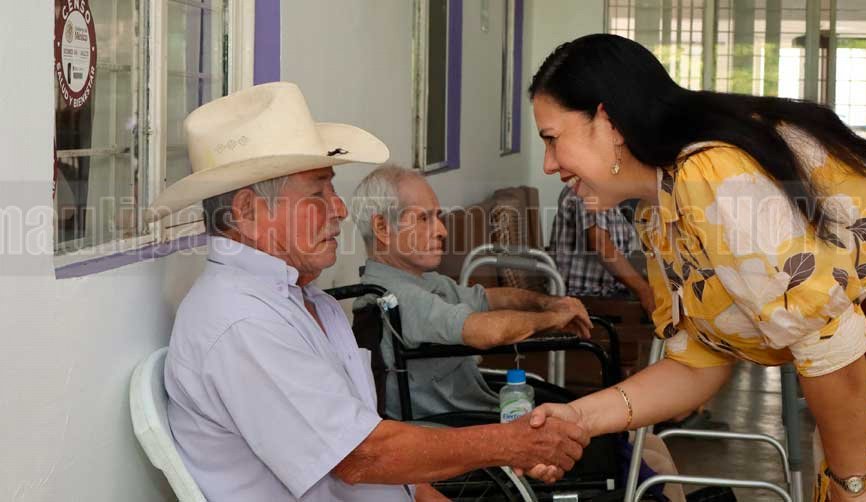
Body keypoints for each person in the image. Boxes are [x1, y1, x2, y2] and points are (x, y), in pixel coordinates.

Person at [523, 34, 866, 502]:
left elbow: (829, 345)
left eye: (552, 139)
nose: (549, 164)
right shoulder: (660, 211)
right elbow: (696, 365)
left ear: (608, 123)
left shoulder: (711, 174)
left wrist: (849, 484)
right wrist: (580, 418)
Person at [154, 82, 588, 502]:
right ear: (249, 212)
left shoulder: (298, 300)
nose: (340, 208)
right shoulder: (243, 322)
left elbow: (370, 448)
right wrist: (512, 443)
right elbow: (362, 456)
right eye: (317, 192)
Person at [352, 165, 592, 419]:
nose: (442, 231)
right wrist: (555, 318)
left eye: (437, 217)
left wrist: (549, 303)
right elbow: (489, 332)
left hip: (475, 410)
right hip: (453, 427)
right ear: (382, 228)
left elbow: (488, 298)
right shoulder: (394, 297)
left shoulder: (422, 281)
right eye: (424, 219)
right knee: (581, 421)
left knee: (574, 407)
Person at [549, 184, 656, 312]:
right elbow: (601, 246)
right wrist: (645, 291)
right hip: (586, 298)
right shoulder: (589, 189)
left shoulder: (608, 197)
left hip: (605, 293)